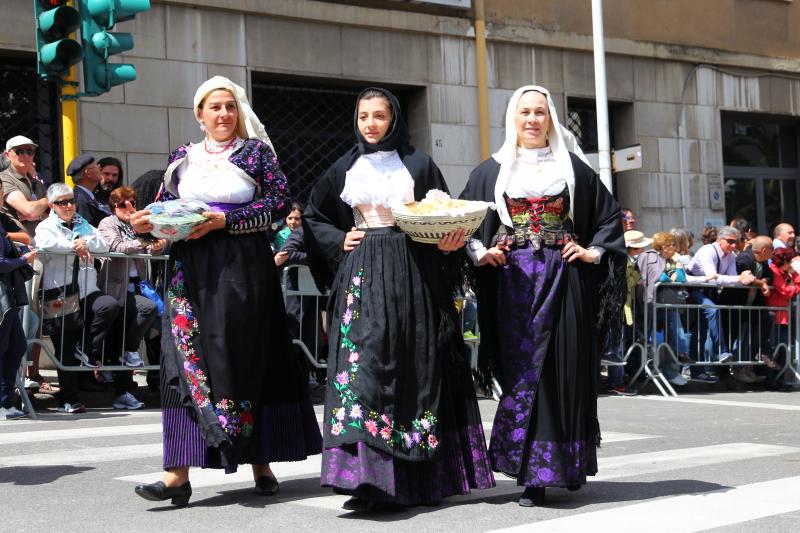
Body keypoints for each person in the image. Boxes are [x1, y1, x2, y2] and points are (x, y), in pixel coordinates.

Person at [130, 76, 321, 507]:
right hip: (188, 272)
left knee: (243, 357)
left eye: (230, 107)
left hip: (243, 270)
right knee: (183, 363)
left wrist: (226, 221)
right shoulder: (182, 158)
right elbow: (164, 207)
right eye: (214, 107)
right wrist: (146, 227)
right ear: (200, 115)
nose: (223, 114)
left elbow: (278, 203)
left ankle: (261, 461)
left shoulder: (256, 153)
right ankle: (176, 473)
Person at [303, 87, 494, 511]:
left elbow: (445, 213)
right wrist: (340, 238)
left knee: (411, 367)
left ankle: (407, 479)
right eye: (364, 116)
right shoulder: (343, 167)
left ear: (395, 120)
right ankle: (367, 480)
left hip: (413, 271)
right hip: (363, 276)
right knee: (362, 369)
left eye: (380, 116)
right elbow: (314, 216)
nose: (371, 124)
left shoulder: (419, 164)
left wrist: (449, 243)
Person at [460, 85, 626, 507]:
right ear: (512, 119)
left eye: (539, 112)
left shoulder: (573, 168)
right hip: (513, 284)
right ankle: (531, 473)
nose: (532, 120)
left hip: (563, 279)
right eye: (524, 112)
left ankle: (563, 465)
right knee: (522, 373)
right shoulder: (491, 171)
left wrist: (592, 251)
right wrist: (481, 252)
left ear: (550, 118)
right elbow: (462, 220)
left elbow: (608, 217)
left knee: (560, 369)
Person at [35, 183, 139, 413]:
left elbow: (101, 244)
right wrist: (74, 246)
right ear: (52, 205)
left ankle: (87, 349)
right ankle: (68, 399)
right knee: (65, 347)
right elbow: (44, 244)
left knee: (108, 305)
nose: (69, 206)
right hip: (61, 294)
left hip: (87, 290)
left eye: (71, 201)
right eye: (63, 202)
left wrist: (86, 242)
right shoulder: (46, 225)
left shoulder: (83, 223)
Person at [1, 135, 51, 393]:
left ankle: (31, 374)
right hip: (18, 256)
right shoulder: (6, 179)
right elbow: (31, 212)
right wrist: (44, 202)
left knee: (34, 317)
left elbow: (39, 211)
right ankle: (16, 380)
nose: (27, 156)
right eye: (20, 151)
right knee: (21, 316)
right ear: (8, 154)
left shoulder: (36, 180)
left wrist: (39, 204)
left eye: (31, 151)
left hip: (36, 252)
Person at [97, 186, 163, 369]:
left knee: (154, 321)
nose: (128, 208)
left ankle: (130, 359)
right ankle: (129, 352)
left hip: (139, 286)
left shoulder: (140, 223)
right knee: (145, 310)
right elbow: (117, 247)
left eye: (132, 204)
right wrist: (142, 242)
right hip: (117, 288)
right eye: (121, 205)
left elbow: (152, 247)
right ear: (113, 207)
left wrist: (156, 247)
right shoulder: (107, 223)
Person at [686, 226, 756, 383]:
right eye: (730, 242)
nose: (733, 246)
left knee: (701, 331)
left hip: (708, 291)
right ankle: (721, 351)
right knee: (713, 311)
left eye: (736, 242)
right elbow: (714, 278)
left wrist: (746, 279)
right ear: (719, 240)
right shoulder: (707, 251)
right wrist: (739, 278)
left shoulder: (730, 256)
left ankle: (697, 372)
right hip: (694, 288)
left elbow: (730, 279)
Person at [0, 194, 37, 420]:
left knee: (15, 346)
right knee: (7, 347)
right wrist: (24, 260)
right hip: (2, 298)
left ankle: (4, 402)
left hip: (6, 296)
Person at [734, 235, 772, 384]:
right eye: (771, 249)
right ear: (763, 250)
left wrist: (763, 282)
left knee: (755, 333)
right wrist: (761, 283)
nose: (773, 252)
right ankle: (737, 369)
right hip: (737, 305)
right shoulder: (744, 258)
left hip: (753, 306)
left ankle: (749, 367)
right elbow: (744, 277)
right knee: (740, 338)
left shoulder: (763, 262)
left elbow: (769, 277)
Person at [765, 247, 799, 391]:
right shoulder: (774, 271)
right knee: (774, 349)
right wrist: (793, 286)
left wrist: (793, 275)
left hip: (783, 315)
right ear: (783, 260)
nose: (791, 264)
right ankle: (772, 380)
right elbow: (786, 291)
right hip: (775, 314)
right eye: (789, 261)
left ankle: (779, 380)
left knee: (783, 349)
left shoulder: (785, 271)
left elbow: (794, 286)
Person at [67, 154, 110, 226]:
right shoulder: (80, 199)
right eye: (96, 166)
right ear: (88, 173)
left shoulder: (85, 196)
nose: (100, 168)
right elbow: (84, 230)